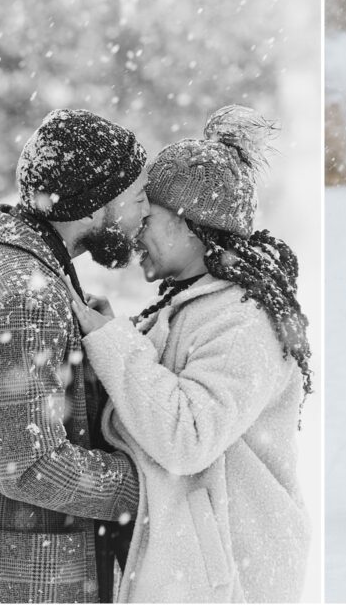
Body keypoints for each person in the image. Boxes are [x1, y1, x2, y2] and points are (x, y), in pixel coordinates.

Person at [0, 109, 149, 603]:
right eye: (138, 197)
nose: (144, 212)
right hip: (12, 584)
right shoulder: (22, 295)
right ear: (93, 205)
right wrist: (147, 485)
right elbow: (31, 467)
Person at [69, 105, 312, 602]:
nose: (134, 230)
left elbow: (189, 437)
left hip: (234, 578)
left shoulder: (246, 318)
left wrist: (112, 341)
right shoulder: (192, 304)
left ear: (191, 224)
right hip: (204, 572)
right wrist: (123, 334)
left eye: (148, 217)